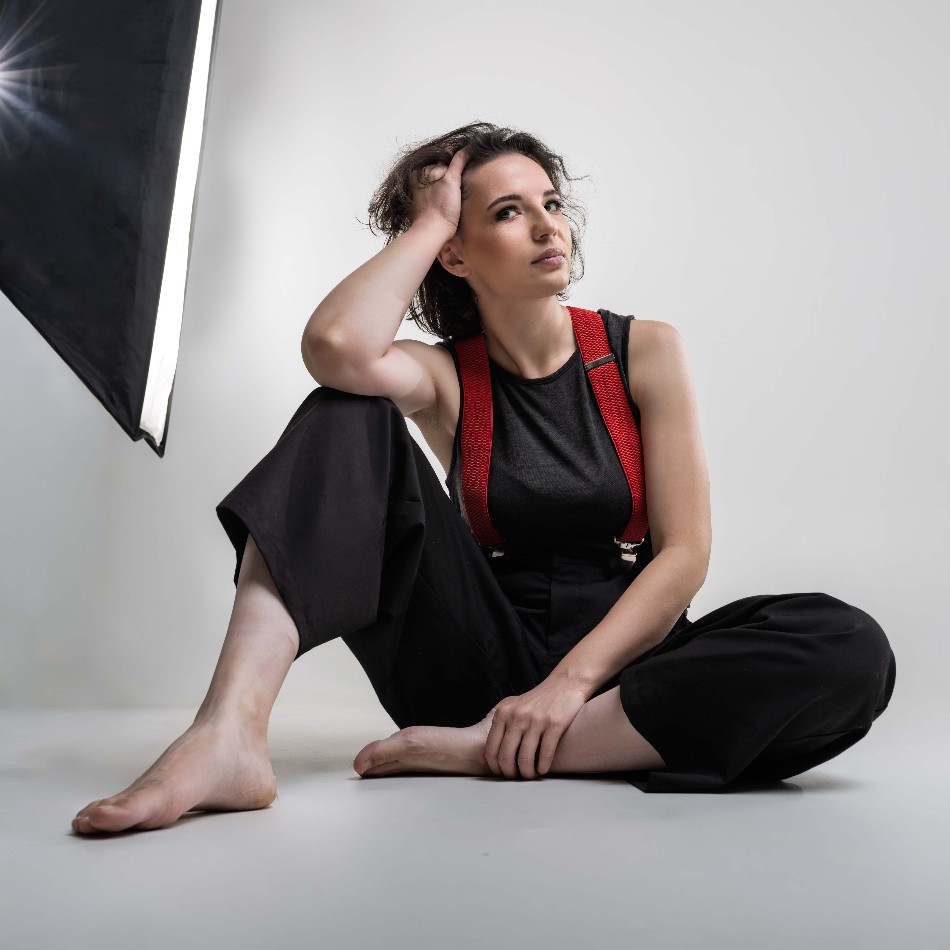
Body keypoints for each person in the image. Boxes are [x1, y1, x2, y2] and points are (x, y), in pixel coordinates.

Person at [71, 121, 896, 835]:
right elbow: (338, 349)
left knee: (847, 644)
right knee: (345, 409)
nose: (546, 225)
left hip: (625, 674)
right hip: (476, 657)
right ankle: (228, 732)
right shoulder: (447, 377)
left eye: (551, 203)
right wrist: (432, 220)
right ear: (457, 255)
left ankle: (499, 751)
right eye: (507, 212)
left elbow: (684, 556)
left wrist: (566, 690)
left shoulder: (643, 350)